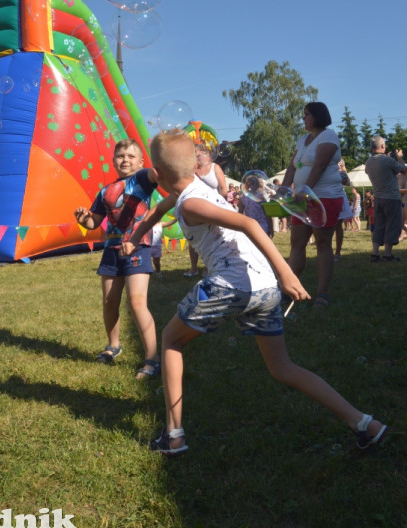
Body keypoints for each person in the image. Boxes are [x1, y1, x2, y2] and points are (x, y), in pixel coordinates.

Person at [121, 129, 387, 456]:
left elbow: (246, 224)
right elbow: (157, 211)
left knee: (171, 340)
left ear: (158, 175)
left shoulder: (190, 203)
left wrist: (287, 272)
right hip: (264, 287)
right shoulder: (190, 190)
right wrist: (135, 237)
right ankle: (365, 424)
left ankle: (173, 436)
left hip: (233, 282)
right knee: (282, 368)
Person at [74, 139, 161, 379]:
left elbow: (155, 175)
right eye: (120, 156)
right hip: (111, 250)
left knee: (136, 302)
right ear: (113, 161)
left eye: (131, 156)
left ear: (141, 162)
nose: (125, 160)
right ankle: (113, 345)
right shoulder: (104, 191)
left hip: (137, 247)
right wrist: (84, 219)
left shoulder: (142, 179)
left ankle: (152, 357)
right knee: (109, 302)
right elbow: (94, 222)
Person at [281, 102, 345, 308]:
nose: (303, 118)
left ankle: (322, 294)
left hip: (324, 197)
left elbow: (319, 166)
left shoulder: (329, 137)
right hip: (302, 197)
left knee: (322, 243)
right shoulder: (302, 140)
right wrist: (282, 189)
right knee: (296, 243)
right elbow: (292, 167)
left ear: (317, 116)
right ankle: (289, 290)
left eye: (306, 114)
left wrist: (304, 191)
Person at [184, 143, 227, 277]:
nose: (197, 156)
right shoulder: (191, 170)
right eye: (194, 154)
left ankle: (209, 267)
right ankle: (193, 268)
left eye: (199, 153)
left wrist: (221, 205)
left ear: (207, 155)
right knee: (193, 239)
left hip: (214, 208)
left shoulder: (215, 167)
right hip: (197, 208)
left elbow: (223, 188)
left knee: (213, 238)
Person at [365, 137, 407, 262]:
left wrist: (389, 158)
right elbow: (404, 170)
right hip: (391, 198)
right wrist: (399, 157)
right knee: (392, 225)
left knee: (379, 225)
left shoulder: (368, 162)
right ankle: (388, 254)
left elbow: (382, 171)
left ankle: (375, 253)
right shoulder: (388, 161)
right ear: (382, 146)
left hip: (378, 198)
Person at [334, 161, 352, 261]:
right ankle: (327, 252)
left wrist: (343, 168)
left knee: (338, 226)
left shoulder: (340, 169)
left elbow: (347, 182)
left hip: (338, 196)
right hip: (326, 195)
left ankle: (337, 252)